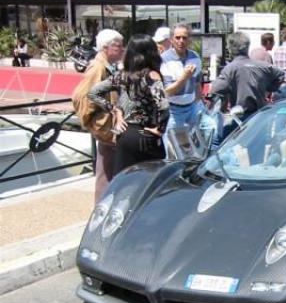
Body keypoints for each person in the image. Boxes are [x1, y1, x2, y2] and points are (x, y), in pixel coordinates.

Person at [88, 34, 169, 175]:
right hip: (145, 135)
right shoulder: (152, 75)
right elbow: (164, 107)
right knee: (149, 182)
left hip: (124, 134)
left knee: (124, 182)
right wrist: (160, 130)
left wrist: (115, 110)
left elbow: (93, 93)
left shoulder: (122, 75)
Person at [71, 29, 125, 203]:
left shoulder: (108, 67)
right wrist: (100, 122)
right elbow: (81, 96)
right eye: (118, 46)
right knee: (105, 175)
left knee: (109, 173)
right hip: (108, 131)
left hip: (111, 130)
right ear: (105, 47)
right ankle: (101, 214)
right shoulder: (98, 67)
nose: (122, 49)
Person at [209, 32, 283, 138]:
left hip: (240, 116)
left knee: (217, 141)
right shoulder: (262, 66)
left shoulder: (231, 68)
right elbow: (280, 74)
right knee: (257, 147)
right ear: (247, 47)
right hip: (260, 115)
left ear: (230, 49)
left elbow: (215, 89)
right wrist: (269, 89)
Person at [160, 23, 203, 157]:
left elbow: (197, 82)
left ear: (189, 39)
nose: (181, 41)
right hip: (174, 110)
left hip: (192, 107)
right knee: (172, 150)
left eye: (184, 38)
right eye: (177, 37)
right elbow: (168, 91)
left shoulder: (195, 57)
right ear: (172, 39)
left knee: (209, 129)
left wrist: (199, 101)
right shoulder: (165, 59)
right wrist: (183, 77)